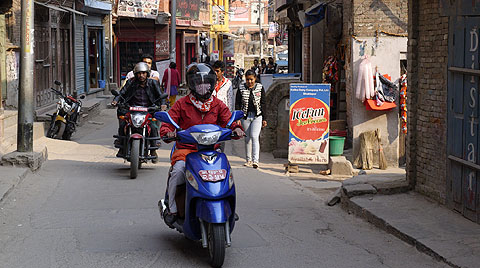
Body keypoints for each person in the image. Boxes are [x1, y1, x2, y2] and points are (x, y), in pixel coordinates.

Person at [160, 63, 244, 226]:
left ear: (212, 84)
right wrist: (167, 132)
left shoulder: (217, 104)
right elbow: (168, 123)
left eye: (206, 82)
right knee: (177, 172)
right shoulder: (182, 104)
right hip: (186, 151)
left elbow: (229, 120)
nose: (203, 87)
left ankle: (228, 207)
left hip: (212, 151)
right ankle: (172, 209)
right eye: (199, 82)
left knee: (226, 174)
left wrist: (237, 128)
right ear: (192, 84)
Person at [112, 62, 165, 162]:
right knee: (123, 125)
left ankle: (153, 150)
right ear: (136, 74)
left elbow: (160, 95)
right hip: (132, 110)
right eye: (139, 73)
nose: (141, 75)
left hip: (148, 110)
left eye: (144, 73)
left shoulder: (153, 83)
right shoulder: (130, 83)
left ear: (147, 74)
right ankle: (121, 147)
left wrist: (163, 104)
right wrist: (116, 100)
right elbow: (121, 93)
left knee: (153, 128)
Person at [235, 69, 267, 169]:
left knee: (254, 136)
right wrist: (238, 117)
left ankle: (255, 160)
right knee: (247, 138)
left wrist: (264, 118)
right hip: (245, 116)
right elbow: (238, 103)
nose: (249, 82)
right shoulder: (241, 88)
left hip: (257, 116)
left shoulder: (260, 87)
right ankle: (248, 160)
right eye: (248, 79)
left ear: (255, 79)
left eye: (251, 79)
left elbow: (263, 103)